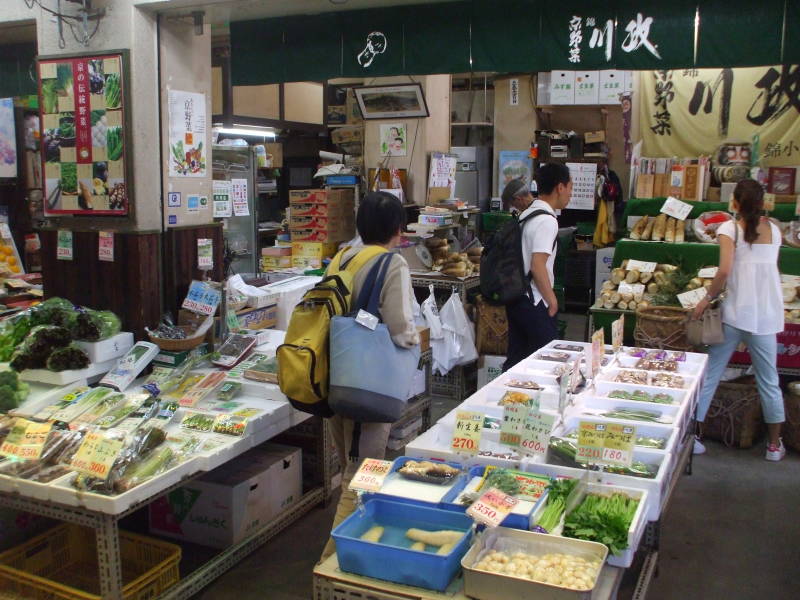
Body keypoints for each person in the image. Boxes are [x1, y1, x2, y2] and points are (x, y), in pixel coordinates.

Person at [319, 191, 419, 561]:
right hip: (368, 383)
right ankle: (331, 560)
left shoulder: (342, 257)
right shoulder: (391, 264)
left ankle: (348, 543)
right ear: (397, 228)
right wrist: (415, 345)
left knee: (349, 462)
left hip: (335, 376)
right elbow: (399, 326)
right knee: (363, 471)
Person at [692, 179, 786, 461]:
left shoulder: (729, 228)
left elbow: (723, 271)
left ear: (734, 203)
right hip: (767, 317)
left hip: (734, 314)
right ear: (762, 203)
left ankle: (694, 437)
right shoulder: (775, 231)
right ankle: (773, 446)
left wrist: (705, 300)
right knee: (769, 381)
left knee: (710, 374)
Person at [502, 163, 573, 371]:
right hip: (534, 301)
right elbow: (538, 265)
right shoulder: (546, 221)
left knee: (516, 362)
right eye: (570, 187)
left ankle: (506, 399)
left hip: (516, 298)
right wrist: (552, 301)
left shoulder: (527, 214)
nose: (570, 193)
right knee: (545, 363)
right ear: (560, 187)